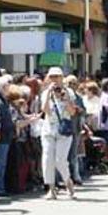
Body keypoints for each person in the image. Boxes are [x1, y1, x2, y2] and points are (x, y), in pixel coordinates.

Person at [40, 67, 76, 200]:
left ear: (62, 78)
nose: (55, 80)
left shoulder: (69, 92)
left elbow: (72, 112)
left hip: (64, 131)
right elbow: (45, 111)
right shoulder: (45, 93)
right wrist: (49, 93)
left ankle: (68, 182)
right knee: (47, 158)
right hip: (49, 129)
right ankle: (51, 188)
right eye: (52, 77)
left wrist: (65, 99)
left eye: (57, 76)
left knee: (60, 160)